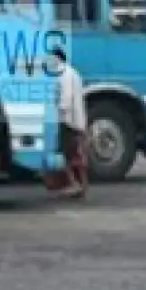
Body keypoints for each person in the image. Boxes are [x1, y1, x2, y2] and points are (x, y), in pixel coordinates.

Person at [52, 45, 89, 198]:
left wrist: (55, 111)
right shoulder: (73, 73)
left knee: (70, 156)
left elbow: (65, 100)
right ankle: (81, 186)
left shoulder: (63, 74)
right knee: (76, 155)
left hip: (68, 121)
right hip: (77, 121)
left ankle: (75, 184)